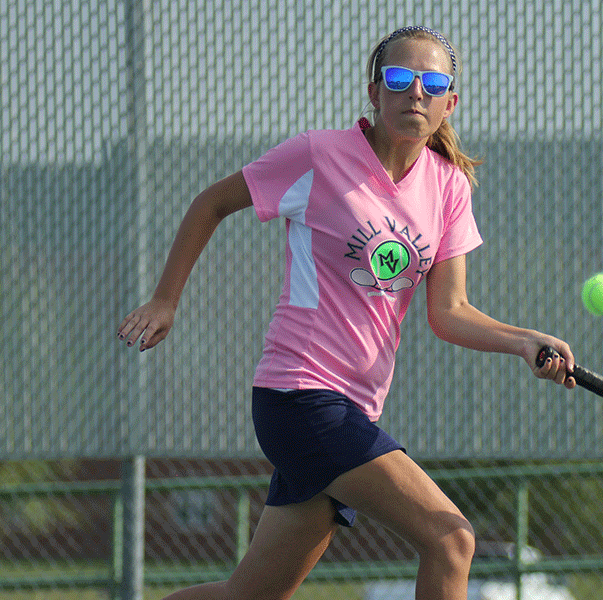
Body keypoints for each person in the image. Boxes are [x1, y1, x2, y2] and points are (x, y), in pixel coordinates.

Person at [117, 25, 575, 600]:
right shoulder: (317, 156)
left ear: (450, 102)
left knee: (249, 596)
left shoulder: (449, 186)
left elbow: (450, 312)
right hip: (300, 395)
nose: (416, 93)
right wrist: (166, 299)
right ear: (374, 91)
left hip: (353, 406)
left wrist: (524, 340)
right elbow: (211, 202)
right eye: (400, 78)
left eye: (433, 83)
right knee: (452, 539)